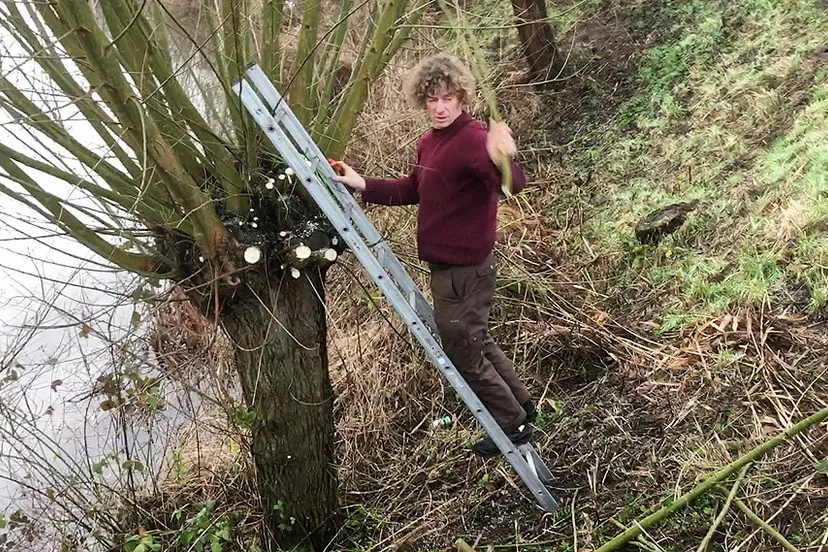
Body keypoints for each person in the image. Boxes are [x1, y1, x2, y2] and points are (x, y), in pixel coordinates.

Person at [331, 53, 536, 457]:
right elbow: (413, 189)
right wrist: (362, 184)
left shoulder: (474, 138)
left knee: (463, 352)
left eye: (447, 98)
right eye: (431, 100)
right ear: (422, 102)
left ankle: (512, 425)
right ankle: (523, 408)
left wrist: (504, 157)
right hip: (446, 270)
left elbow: (512, 185)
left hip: (466, 271)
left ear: (462, 97)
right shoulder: (431, 141)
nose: (440, 107)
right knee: (477, 342)